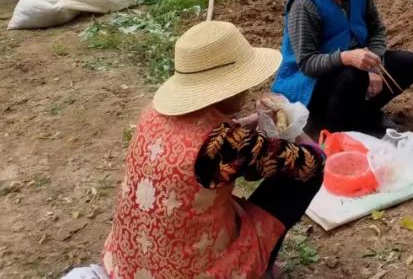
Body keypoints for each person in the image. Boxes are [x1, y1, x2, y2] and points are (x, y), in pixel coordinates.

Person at [99, 20, 324, 279]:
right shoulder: (222, 146)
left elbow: (206, 146)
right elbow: (314, 161)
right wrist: (292, 129)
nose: (248, 90)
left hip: (129, 261)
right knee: (308, 175)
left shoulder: (153, 113)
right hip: (190, 269)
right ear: (227, 86)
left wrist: (250, 124)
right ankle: (257, 265)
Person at [274, 0, 413, 136]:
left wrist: (375, 66)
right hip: (310, 84)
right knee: (353, 76)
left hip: (355, 69)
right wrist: (346, 58)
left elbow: (376, 29)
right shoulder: (305, 4)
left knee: (408, 63)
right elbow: (307, 63)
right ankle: (340, 127)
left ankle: (363, 114)